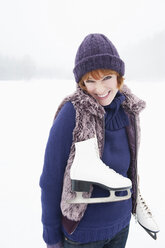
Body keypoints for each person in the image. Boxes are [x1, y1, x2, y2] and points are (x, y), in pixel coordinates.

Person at [39, 33, 159, 248]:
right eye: (90, 81)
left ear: (118, 77)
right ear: (82, 83)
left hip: (121, 227)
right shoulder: (72, 114)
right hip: (83, 235)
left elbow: (129, 169)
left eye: (106, 78)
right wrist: (51, 236)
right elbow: (50, 179)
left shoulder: (129, 111)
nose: (100, 89)